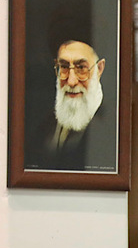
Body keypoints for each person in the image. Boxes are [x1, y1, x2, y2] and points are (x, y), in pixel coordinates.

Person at [25, 39, 116, 172]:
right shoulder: (43, 126)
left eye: (81, 68)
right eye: (64, 67)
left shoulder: (113, 129)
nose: (71, 81)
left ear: (99, 69)